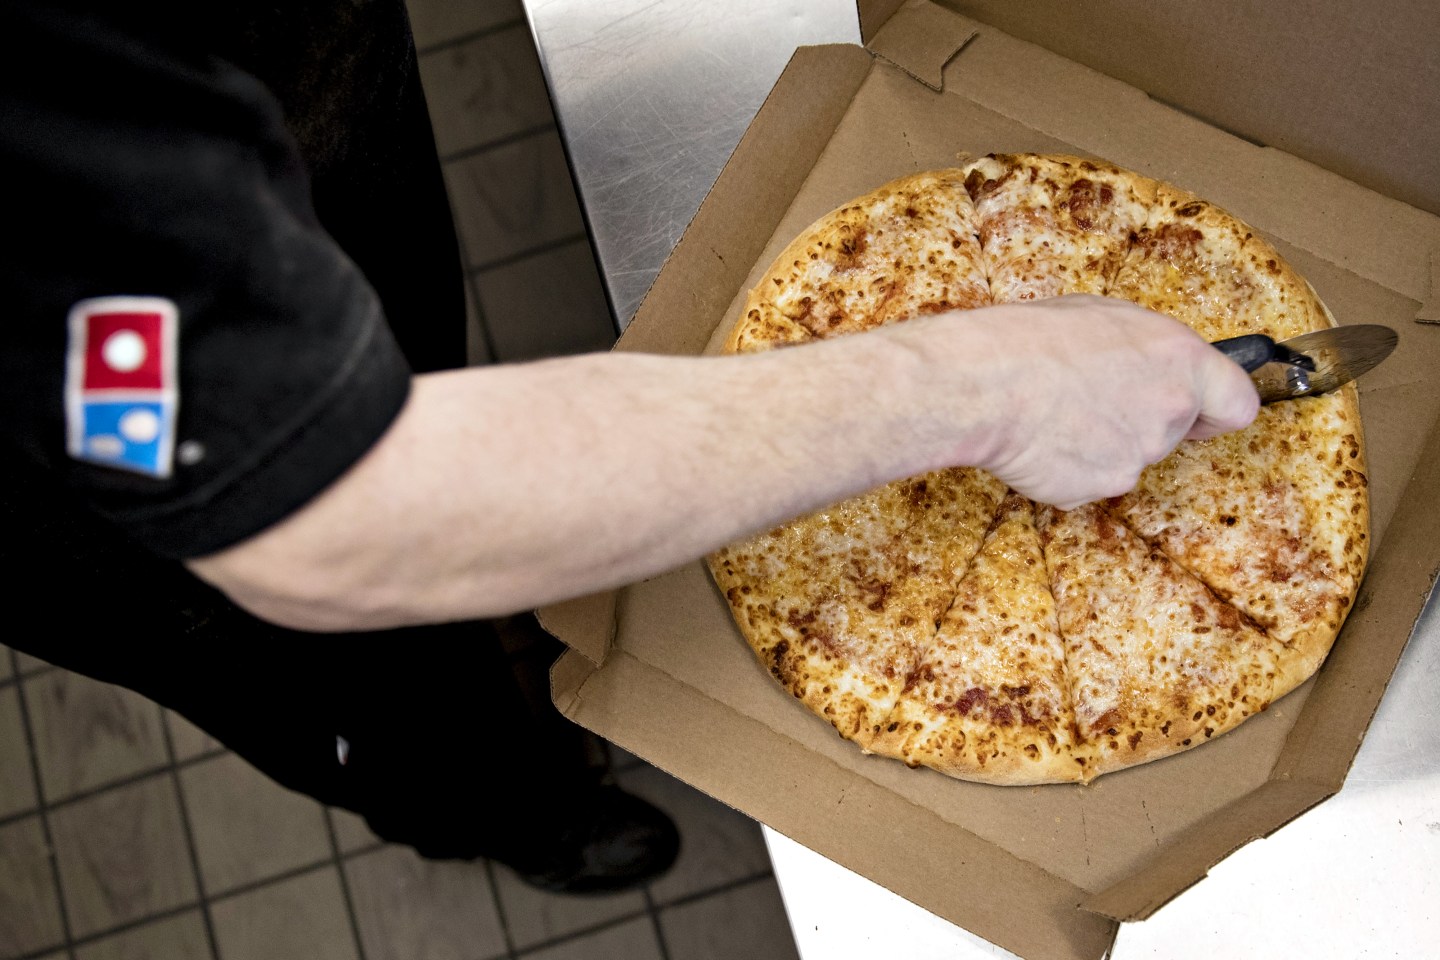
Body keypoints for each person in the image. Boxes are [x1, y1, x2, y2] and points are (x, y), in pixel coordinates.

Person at [0, 0, 1260, 895]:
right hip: (78, 460)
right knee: (347, 672)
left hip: (277, 65)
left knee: (399, 342)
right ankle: (511, 811)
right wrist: (988, 384)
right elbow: (340, 512)